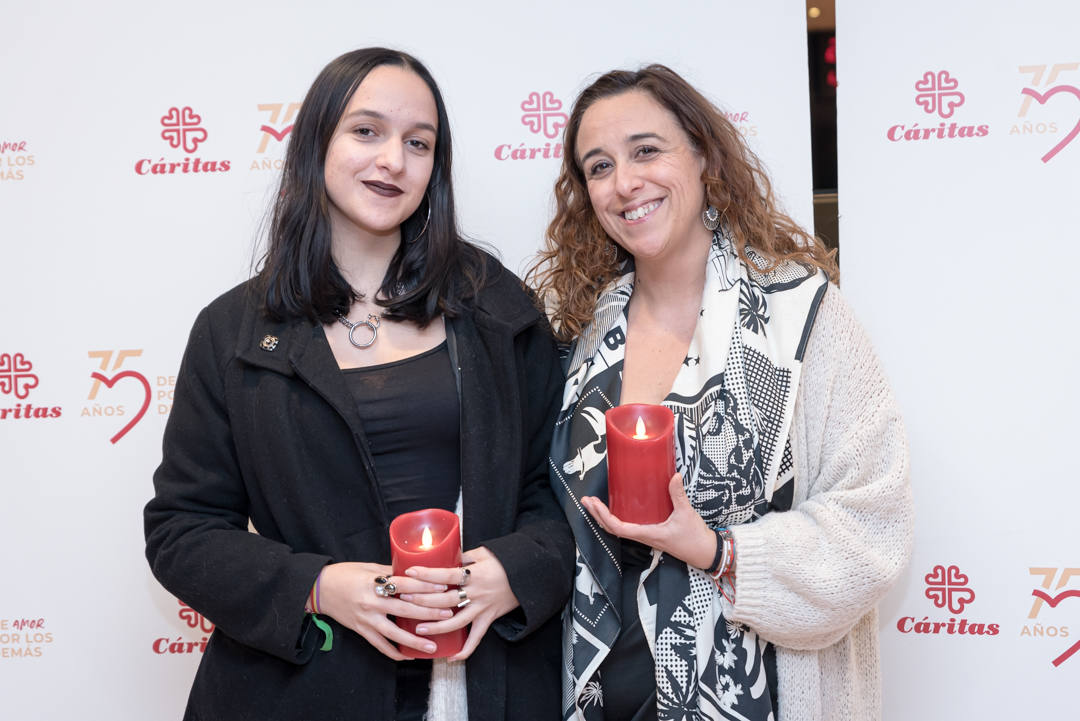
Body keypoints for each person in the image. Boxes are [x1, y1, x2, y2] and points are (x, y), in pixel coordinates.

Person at [144, 48, 573, 721]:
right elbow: (182, 528)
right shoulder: (233, 330)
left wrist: (511, 570)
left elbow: (560, 488)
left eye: (418, 142)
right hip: (299, 689)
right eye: (366, 131)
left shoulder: (496, 306)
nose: (393, 160)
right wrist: (318, 585)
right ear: (317, 142)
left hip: (486, 681)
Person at [526, 64, 913, 721]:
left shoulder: (802, 318)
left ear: (702, 154)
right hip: (593, 696)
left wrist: (715, 548)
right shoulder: (579, 333)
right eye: (598, 166)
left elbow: (872, 527)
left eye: (646, 150)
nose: (625, 183)